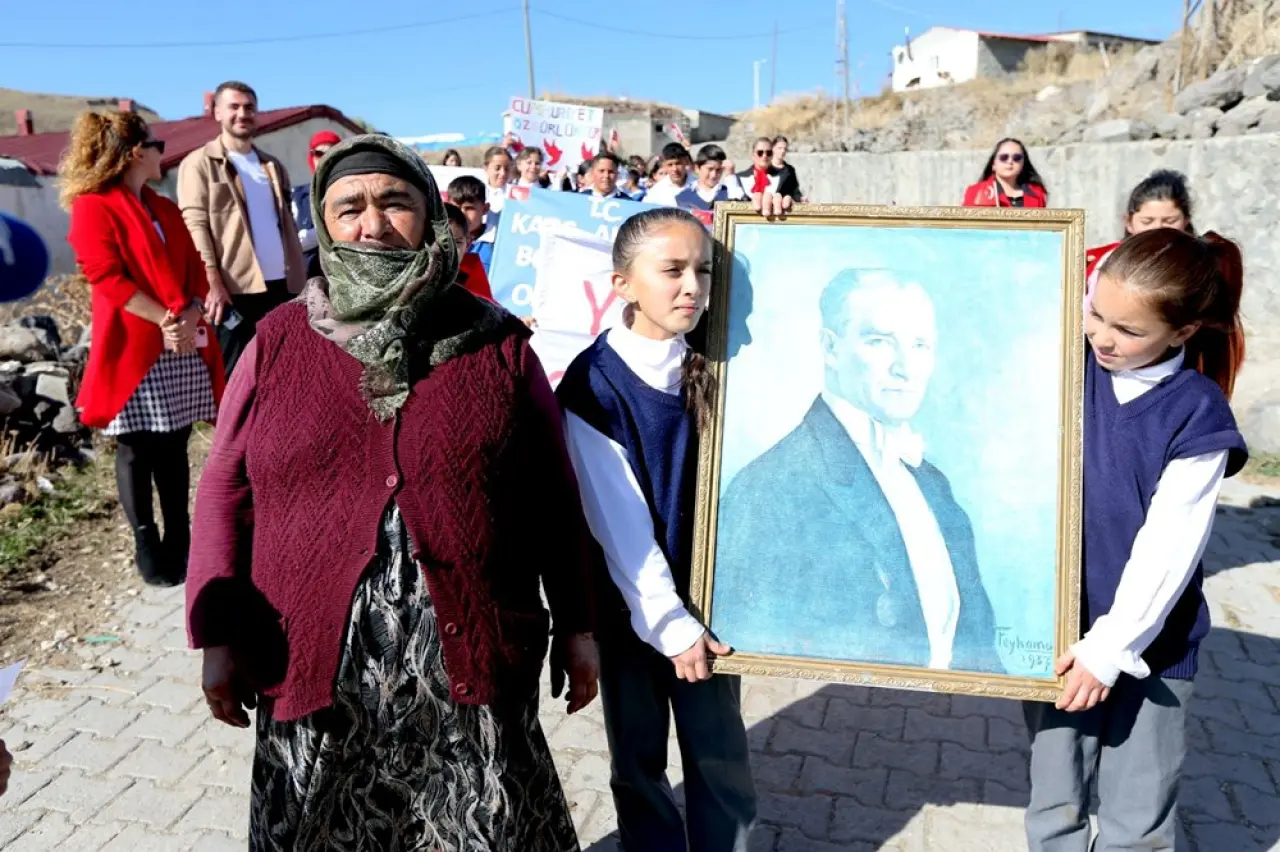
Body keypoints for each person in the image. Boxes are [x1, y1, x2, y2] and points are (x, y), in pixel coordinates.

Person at [186, 135, 599, 851]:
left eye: (394, 202)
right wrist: (215, 634)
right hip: (312, 666)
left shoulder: (497, 342)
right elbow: (225, 485)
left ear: (432, 217)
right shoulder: (277, 341)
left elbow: (553, 495)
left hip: (468, 664)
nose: (371, 225)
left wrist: (580, 622)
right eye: (348, 208)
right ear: (323, 221)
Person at [1024, 227, 1248, 852]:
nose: (1101, 337)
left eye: (1128, 330)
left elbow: (1170, 547)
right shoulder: (1068, 369)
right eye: (1095, 312)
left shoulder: (1198, 414)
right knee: (1054, 804)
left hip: (1153, 652)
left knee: (1138, 821)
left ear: (1181, 332)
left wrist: (1111, 647)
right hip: (1058, 637)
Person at [558, 207, 757, 851]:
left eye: (703, 270)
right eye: (671, 270)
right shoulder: (594, 387)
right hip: (635, 608)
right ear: (622, 285)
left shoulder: (718, 356)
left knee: (719, 752)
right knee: (639, 762)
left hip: (710, 605)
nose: (692, 287)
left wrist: (775, 222)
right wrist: (671, 625)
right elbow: (620, 527)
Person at [713, 269, 1002, 672]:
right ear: (830, 348)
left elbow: (977, 644)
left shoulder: (932, 484)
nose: (905, 367)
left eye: (920, 344)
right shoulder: (771, 486)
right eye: (879, 341)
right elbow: (751, 648)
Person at [61, 110, 225, 586]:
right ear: (136, 152)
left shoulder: (164, 207)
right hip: (133, 347)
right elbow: (104, 275)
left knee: (174, 444)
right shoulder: (95, 205)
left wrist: (190, 311)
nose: (162, 152)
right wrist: (165, 319)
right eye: (155, 144)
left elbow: (194, 267)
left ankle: (180, 539)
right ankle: (146, 541)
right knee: (135, 447)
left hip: (177, 342)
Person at [177, 80, 307, 379]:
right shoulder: (199, 164)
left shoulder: (272, 166)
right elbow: (194, 225)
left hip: (281, 287)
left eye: (249, 107)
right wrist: (212, 281)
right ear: (217, 113)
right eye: (234, 106)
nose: (242, 113)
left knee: (281, 374)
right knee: (237, 380)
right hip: (235, 289)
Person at [1086, 170, 1195, 309]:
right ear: (1129, 223)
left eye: (1170, 221)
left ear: (1186, 221)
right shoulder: (1105, 262)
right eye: (1147, 221)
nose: (1158, 229)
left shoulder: (1202, 264)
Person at [291, 130, 339, 280]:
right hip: (309, 281)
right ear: (311, 158)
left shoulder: (352, 192)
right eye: (319, 153)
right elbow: (293, 243)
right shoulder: (297, 196)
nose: (325, 158)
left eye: (332, 152)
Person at [962, 138, 1048, 208]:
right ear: (993, 164)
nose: (1010, 161)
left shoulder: (1037, 193)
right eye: (1004, 157)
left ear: (1023, 164)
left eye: (1017, 158)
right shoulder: (976, 192)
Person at [445, 202, 495, 302]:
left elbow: (491, 310)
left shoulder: (470, 277)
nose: (450, 250)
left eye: (457, 242)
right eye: (443, 242)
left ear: (467, 243)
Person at [447, 175, 495, 274]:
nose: (462, 214)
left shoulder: (495, 245)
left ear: (485, 209)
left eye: (469, 208)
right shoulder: (438, 241)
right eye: (456, 208)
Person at [676, 144, 745, 212]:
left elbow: (741, 210)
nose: (714, 175)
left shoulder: (729, 192)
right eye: (710, 169)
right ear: (697, 168)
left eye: (718, 170)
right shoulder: (683, 198)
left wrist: (731, 175)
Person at [643, 143, 696, 207]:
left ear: (686, 161)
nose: (675, 169)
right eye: (670, 165)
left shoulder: (698, 186)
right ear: (664, 165)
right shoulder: (656, 191)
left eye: (678, 163)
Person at [482, 144, 513, 215]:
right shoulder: (477, 192)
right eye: (497, 168)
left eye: (506, 169)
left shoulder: (516, 194)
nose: (503, 173)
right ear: (486, 168)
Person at [770, 135, 803, 201]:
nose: (783, 151)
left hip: (785, 204)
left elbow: (795, 190)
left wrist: (801, 198)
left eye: (785, 149)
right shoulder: (765, 167)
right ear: (773, 148)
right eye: (780, 148)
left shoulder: (790, 170)